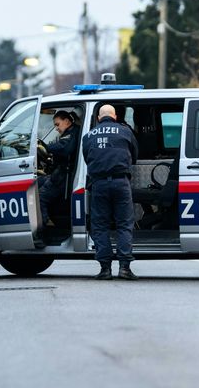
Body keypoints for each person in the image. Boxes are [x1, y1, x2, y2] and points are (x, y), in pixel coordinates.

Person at [80, 104, 139, 280]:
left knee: (100, 226)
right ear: (114, 117)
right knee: (124, 224)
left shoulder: (88, 136)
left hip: (98, 184)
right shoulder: (125, 131)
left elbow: (86, 158)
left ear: (98, 118)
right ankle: (124, 268)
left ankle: (105, 269)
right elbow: (134, 156)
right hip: (121, 182)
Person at [36, 110, 80, 247]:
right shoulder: (70, 132)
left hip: (63, 178)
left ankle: (42, 232)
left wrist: (46, 147)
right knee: (35, 182)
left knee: (39, 197)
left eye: (57, 124)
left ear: (67, 121)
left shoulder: (71, 133)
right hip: (60, 175)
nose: (56, 128)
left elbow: (64, 148)